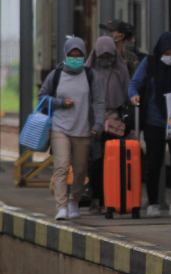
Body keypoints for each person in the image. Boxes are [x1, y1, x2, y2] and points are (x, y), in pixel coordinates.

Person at [128, 32, 171, 218]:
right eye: (167, 53)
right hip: (154, 121)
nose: (170, 57)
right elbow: (134, 84)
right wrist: (133, 96)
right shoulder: (150, 63)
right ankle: (152, 203)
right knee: (153, 162)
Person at [38, 37, 105, 220]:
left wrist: (98, 124)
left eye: (79, 55)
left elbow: (99, 102)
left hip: (83, 131)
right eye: (71, 55)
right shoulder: (56, 75)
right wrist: (59, 102)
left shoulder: (91, 76)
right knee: (61, 167)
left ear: (84, 55)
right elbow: (42, 96)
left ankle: (74, 201)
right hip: (60, 129)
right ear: (65, 55)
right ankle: (62, 206)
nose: (75, 59)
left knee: (80, 170)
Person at [85, 37, 131, 214]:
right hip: (93, 122)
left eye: (109, 56)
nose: (106, 60)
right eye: (102, 57)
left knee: (113, 161)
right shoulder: (89, 71)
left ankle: (111, 199)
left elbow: (127, 96)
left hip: (115, 122)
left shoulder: (121, 70)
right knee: (96, 161)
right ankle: (95, 200)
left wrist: (129, 123)